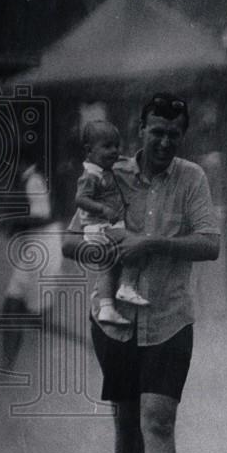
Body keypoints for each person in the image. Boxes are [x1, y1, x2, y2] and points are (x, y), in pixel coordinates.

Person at [63, 93, 220, 453]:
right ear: (140, 131)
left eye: (174, 133)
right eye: (157, 131)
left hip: (170, 316)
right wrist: (112, 251)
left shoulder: (192, 179)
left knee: (159, 418)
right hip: (116, 323)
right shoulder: (112, 176)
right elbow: (71, 241)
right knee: (127, 422)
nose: (165, 141)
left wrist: (151, 243)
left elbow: (210, 244)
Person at [73, 120, 149, 325]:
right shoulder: (91, 174)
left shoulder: (104, 168)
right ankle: (127, 286)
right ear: (89, 150)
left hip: (101, 229)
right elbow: (80, 199)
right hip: (101, 227)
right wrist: (103, 209)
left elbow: (123, 161)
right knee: (137, 245)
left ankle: (106, 308)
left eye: (117, 146)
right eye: (107, 147)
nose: (114, 151)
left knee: (106, 268)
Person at [0, 142, 63, 368]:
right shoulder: (27, 179)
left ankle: (33, 362)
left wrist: (13, 221)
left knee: (30, 309)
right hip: (35, 251)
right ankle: (10, 362)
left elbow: (42, 216)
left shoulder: (34, 180)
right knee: (13, 304)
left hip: (43, 251)